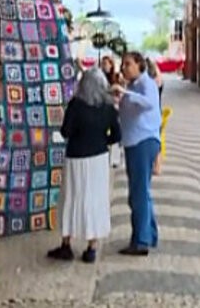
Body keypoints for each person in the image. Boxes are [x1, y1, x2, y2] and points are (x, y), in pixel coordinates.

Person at [47, 68, 121, 263]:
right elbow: (117, 135)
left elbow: (65, 131)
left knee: (72, 197)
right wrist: (101, 140)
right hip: (98, 160)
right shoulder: (108, 107)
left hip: (76, 158)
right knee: (95, 200)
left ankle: (66, 244)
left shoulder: (76, 105)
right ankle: (91, 248)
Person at [112, 51, 162, 256]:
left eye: (128, 64)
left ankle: (140, 240)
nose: (124, 68)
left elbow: (148, 102)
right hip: (133, 142)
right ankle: (149, 233)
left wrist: (125, 94)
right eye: (123, 64)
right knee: (141, 191)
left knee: (139, 193)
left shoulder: (145, 84)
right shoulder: (132, 86)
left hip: (143, 141)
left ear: (139, 65)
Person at [99, 55, 124, 169]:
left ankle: (115, 159)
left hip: (114, 107)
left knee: (116, 131)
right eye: (103, 63)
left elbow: (120, 94)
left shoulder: (117, 77)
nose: (104, 66)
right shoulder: (98, 77)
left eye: (106, 63)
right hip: (102, 107)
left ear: (111, 64)